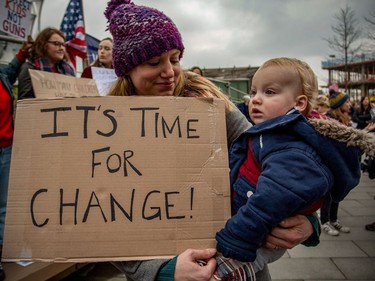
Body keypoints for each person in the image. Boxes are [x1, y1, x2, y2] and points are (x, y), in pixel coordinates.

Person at [104, 1, 321, 280]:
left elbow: (280, 161)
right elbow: (103, 220)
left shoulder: (212, 108)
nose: (169, 72)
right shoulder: (108, 127)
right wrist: (163, 272)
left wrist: (309, 223)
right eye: (154, 62)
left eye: (175, 58)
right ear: (127, 70)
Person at [214, 58, 371, 279]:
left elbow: (273, 197)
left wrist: (236, 237)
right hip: (253, 221)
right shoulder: (273, 131)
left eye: (269, 92)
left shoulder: (289, 145)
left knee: (233, 267)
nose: (255, 100)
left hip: (256, 232)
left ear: (299, 104)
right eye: (254, 91)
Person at [0, 36, 34, 281]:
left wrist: (24, 50)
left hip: (6, 147)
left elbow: (12, 67)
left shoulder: (2, 75)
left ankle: (4, 253)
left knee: (4, 206)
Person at [319, 90, 353, 236]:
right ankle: (324, 221)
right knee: (328, 193)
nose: (349, 104)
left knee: (337, 192)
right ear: (339, 104)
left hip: (339, 162)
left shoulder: (343, 118)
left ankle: (333, 219)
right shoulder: (329, 119)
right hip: (330, 162)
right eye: (346, 102)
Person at [18, 27, 76, 100]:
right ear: (43, 44)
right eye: (57, 44)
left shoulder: (69, 70)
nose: (61, 48)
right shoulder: (30, 68)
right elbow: (25, 101)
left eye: (63, 45)